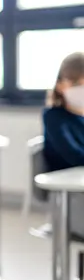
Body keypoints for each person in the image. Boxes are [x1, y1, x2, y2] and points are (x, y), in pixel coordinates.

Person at [43, 52, 84, 238]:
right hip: (71, 195)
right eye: (76, 84)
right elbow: (74, 155)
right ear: (60, 86)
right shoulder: (54, 117)